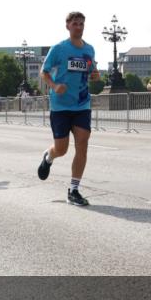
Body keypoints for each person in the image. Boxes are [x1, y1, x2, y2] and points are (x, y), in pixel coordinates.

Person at [36, 11, 99, 206]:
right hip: (61, 105)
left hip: (81, 104)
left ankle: (73, 190)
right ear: (68, 26)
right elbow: (43, 72)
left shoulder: (89, 50)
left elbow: (90, 71)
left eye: (81, 24)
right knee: (61, 149)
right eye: (75, 24)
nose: (78, 27)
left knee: (83, 143)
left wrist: (95, 74)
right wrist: (54, 86)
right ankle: (49, 156)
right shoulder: (59, 49)